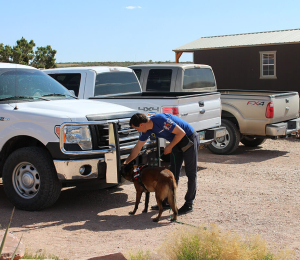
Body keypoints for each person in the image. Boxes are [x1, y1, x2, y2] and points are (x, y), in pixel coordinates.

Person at [123, 113, 199, 215]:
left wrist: (169, 147)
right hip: (176, 142)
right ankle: (168, 201)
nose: (137, 131)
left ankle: (189, 204)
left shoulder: (161, 121)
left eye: (136, 128)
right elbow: (137, 148)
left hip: (189, 139)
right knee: (173, 172)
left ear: (142, 125)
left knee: (190, 173)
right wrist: (126, 162)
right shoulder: (146, 130)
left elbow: (181, 133)